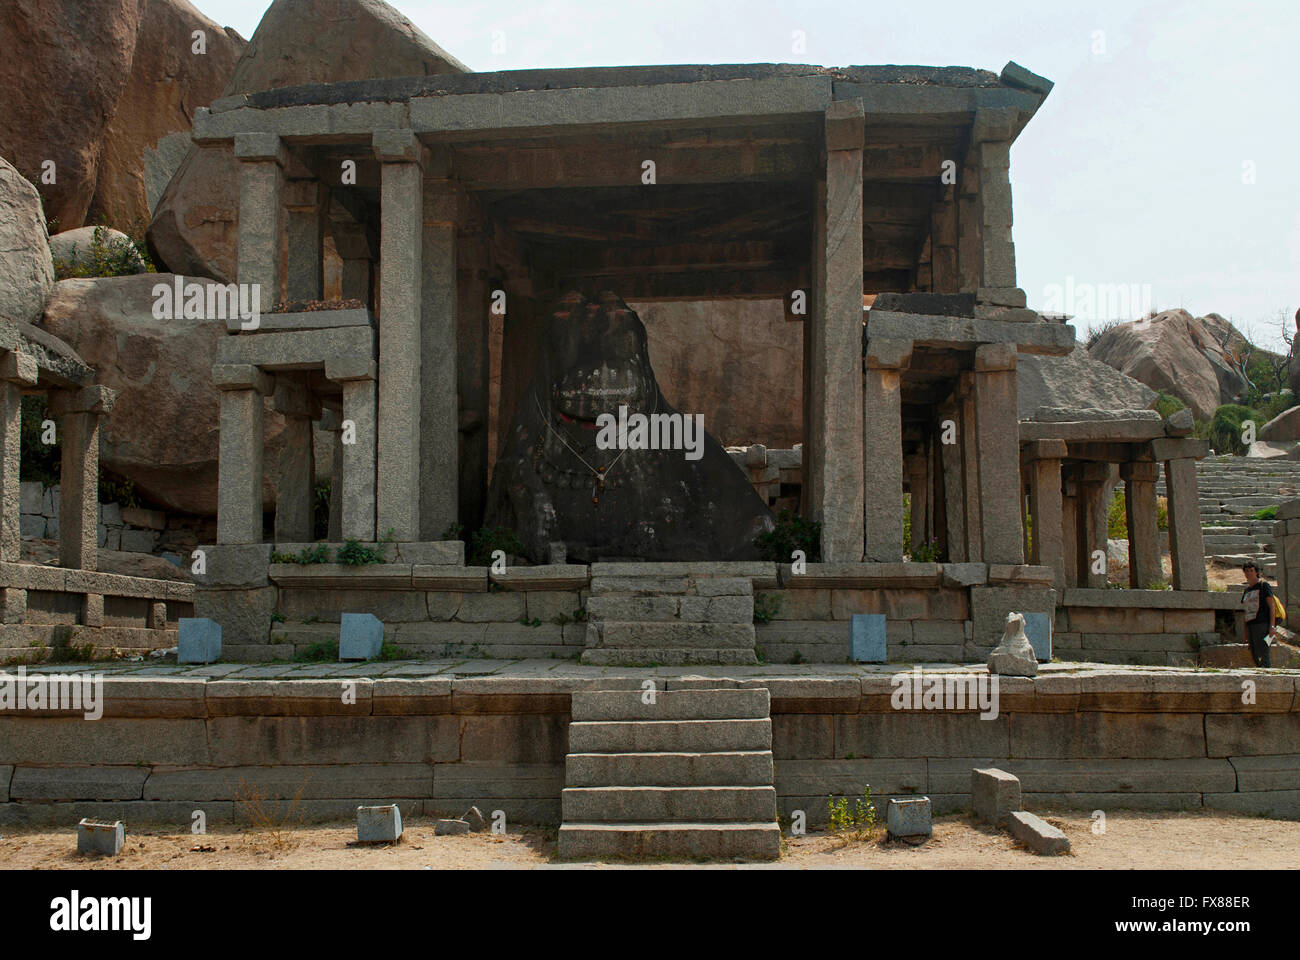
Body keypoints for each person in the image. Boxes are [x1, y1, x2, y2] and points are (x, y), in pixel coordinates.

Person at [1240, 561, 1276, 668]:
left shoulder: (1264, 586)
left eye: (1252, 570)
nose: (1249, 573)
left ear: (1256, 572)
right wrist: (1245, 632)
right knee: (1255, 656)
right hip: (1251, 626)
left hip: (1262, 625)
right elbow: (1245, 612)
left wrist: (1272, 626)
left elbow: (1272, 606)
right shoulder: (1246, 590)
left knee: (1263, 656)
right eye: (1247, 571)